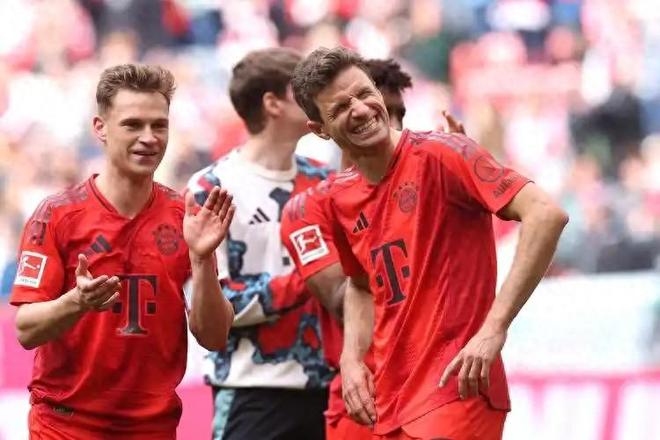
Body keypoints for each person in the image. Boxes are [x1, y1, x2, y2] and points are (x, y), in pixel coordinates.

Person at [291, 46, 569, 440]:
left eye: (364, 93)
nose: (361, 109)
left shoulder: (445, 154)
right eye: (340, 108)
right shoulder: (338, 197)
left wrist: (494, 327)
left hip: (457, 387)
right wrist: (352, 359)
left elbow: (545, 214)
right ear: (319, 129)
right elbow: (360, 284)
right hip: (391, 398)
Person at [10, 64, 236, 438]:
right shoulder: (56, 215)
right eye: (133, 125)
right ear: (100, 128)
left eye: (159, 125)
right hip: (64, 426)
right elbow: (26, 329)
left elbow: (214, 337)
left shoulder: (185, 218)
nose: (149, 137)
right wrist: (77, 302)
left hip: (152, 428)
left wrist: (200, 259)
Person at [281, 58, 465, 440]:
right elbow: (344, 295)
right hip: (364, 400)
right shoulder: (310, 208)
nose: (391, 122)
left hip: (437, 390)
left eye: (400, 113)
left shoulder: (430, 177)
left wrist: (455, 197)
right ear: (327, 124)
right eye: (345, 106)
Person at [186, 48, 334, 440]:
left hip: (329, 387)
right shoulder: (212, 187)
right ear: (272, 103)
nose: (318, 98)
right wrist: (310, 280)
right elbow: (214, 302)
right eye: (303, 90)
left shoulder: (326, 181)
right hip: (252, 390)